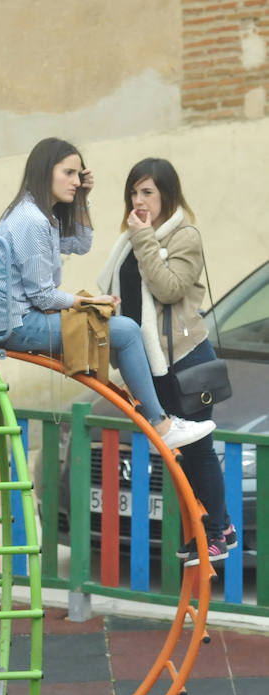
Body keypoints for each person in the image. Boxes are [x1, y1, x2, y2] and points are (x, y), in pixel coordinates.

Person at [0, 137, 217, 454]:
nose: (75, 181)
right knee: (124, 330)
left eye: (78, 175)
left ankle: (161, 422)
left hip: (24, 318)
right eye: (69, 173)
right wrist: (87, 302)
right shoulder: (32, 219)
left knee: (115, 325)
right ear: (45, 171)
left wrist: (82, 197)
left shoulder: (40, 214)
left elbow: (81, 244)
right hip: (21, 325)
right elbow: (43, 297)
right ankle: (162, 424)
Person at [98, 157, 236, 566]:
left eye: (148, 193)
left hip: (186, 360)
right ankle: (213, 527)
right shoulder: (130, 241)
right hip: (152, 363)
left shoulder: (183, 236)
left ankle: (216, 531)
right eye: (133, 193)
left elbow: (170, 288)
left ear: (167, 195)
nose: (139, 202)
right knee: (180, 452)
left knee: (199, 451)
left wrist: (143, 241)